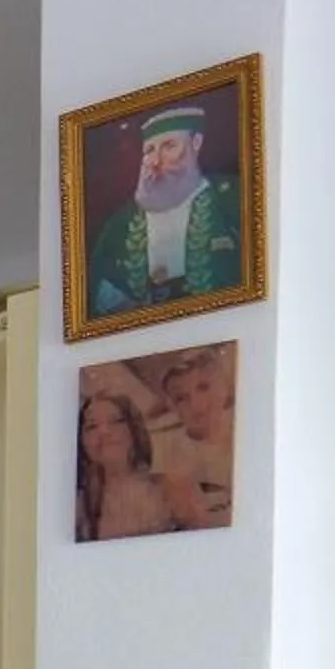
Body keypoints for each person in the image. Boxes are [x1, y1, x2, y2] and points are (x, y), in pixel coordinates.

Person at [89, 104, 244, 316]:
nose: (155, 161)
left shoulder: (233, 196)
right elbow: (98, 291)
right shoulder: (121, 223)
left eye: (169, 146)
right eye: (149, 151)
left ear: (196, 142)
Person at [77, 390, 178, 542]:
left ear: (134, 429)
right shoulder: (79, 507)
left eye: (116, 421)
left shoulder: (171, 488)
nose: (104, 432)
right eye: (91, 426)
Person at [155, 346, 236, 529]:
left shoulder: (246, 428)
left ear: (224, 385)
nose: (196, 403)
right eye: (181, 398)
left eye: (204, 387)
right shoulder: (174, 456)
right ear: (172, 407)